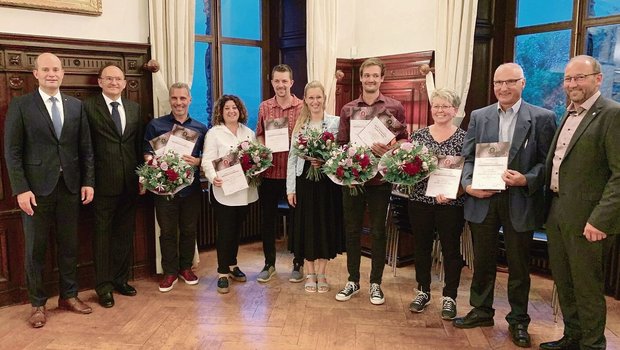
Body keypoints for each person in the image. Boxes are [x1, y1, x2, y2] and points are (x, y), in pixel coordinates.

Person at [454, 63, 556, 348]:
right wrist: (469, 184)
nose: (503, 88)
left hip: (520, 200)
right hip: (483, 199)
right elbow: (468, 157)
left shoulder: (543, 117)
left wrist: (526, 179)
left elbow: (548, 163)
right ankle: (482, 310)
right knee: (483, 260)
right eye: (499, 82)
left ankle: (519, 320)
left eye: (510, 82)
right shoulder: (479, 116)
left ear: (523, 83)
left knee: (519, 265)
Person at [4, 52, 95, 328]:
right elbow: (12, 151)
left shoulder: (76, 106)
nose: (52, 73)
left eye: (56, 69)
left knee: (69, 246)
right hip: (35, 192)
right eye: (46, 69)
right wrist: (21, 189)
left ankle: (69, 296)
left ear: (62, 73)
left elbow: (86, 149)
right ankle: (37, 304)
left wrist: (88, 181)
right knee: (35, 250)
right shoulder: (21, 105)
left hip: (69, 188)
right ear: (36, 74)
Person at [540, 55, 620, 350]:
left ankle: (592, 344)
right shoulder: (568, 113)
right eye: (568, 79)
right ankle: (572, 336)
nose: (572, 84)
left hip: (590, 219)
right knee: (564, 279)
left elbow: (619, 174)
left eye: (579, 78)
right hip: (558, 210)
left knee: (587, 286)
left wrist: (601, 219)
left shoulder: (612, 114)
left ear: (598, 79)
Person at [335, 57, 407, 305]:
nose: (371, 79)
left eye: (376, 75)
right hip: (353, 180)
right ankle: (353, 280)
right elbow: (341, 144)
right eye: (367, 75)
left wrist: (389, 148)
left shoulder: (394, 107)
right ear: (362, 77)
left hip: (380, 179)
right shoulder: (347, 109)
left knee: (378, 231)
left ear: (382, 78)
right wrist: (349, 168)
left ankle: (376, 283)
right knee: (352, 230)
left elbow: (404, 140)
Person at [83, 64, 143, 308]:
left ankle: (120, 280)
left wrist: (143, 178)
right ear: (100, 82)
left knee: (124, 235)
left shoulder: (134, 108)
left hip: (130, 184)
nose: (114, 83)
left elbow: (138, 146)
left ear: (125, 82)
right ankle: (103, 287)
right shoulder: (87, 108)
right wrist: (88, 182)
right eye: (109, 79)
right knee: (103, 236)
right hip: (101, 185)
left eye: (118, 79)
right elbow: (85, 148)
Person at [406, 88, 466, 320]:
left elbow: (468, 171)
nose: (440, 110)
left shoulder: (464, 137)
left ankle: (449, 297)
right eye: (436, 105)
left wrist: (456, 192)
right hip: (420, 200)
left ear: (455, 110)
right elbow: (408, 167)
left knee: (450, 250)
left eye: (445, 106)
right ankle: (422, 291)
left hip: (451, 203)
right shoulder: (419, 136)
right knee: (421, 247)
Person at [143, 83, 207, 293]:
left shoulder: (200, 128)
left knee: (189, 230)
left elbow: (205, 159)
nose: (178, 103)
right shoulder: (156, 125)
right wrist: (155, 161)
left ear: (189, 100)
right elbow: (147, 154)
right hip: (165, 191)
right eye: (175, 98)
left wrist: (196, 162)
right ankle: (169, 271)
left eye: (182, 98)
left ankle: (186, 268)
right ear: (169, 100)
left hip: (191, 189)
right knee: (168, 231)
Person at [286, 81, 343, 293]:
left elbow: (340, 153)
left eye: (318, 97)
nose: (315, 101)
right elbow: (292, 158)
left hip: (328, 183)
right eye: (311, 98)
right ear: (305, 100)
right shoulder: (300, 125)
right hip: (305, 182)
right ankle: (309, 273)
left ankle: (322, 273)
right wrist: (290, 189)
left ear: (324, 99)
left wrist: (325, 160)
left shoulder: (335, 123)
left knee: (323, 226)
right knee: (307, 226)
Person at [202, 95, 258, 294]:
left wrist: (256, 168)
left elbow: (255, 158)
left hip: (244, 191)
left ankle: (233, 265)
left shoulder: (249, 132)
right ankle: (222, 272)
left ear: (240, 110)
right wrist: (212, 177)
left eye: (234, 107)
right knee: (225, 231)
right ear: (221, 112)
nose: (231, 111)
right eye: (227, 108)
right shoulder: (214, 133)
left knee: (236, 231)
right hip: (223, 191)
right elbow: (207, 160)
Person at [255, 64, 304, 283]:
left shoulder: (303, 107)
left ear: (291, 83)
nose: (281, 85)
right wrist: (264, 149)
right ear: (271, 82)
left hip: (295, 174)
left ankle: (298, 264)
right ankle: (269, 264)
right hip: (270, 173)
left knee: (298, 220)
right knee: (267, 221)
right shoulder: (264, 107)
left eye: (285, 81)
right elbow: (259, 135)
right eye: (277, 81)